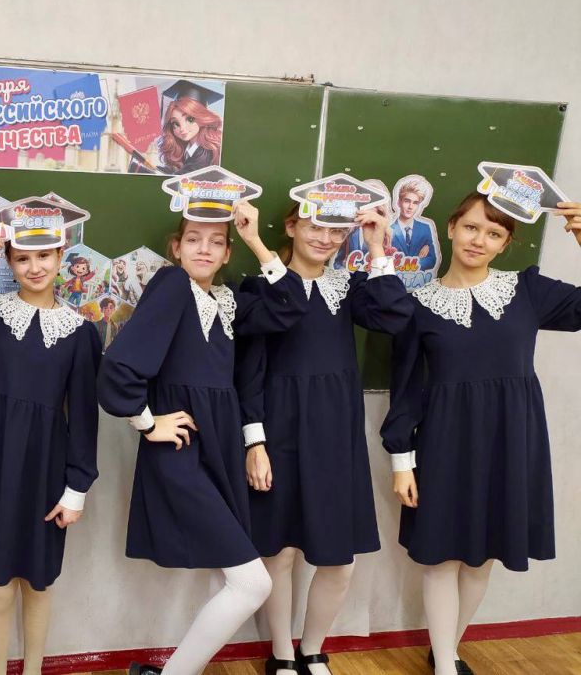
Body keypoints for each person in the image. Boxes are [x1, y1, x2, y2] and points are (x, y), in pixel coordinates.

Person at [97, 200, 307, 675]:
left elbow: (291, 305)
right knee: (252, 583)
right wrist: (148, 422)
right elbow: (118, 367)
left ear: (228, 252)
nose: (204, 249)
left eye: (216, 242)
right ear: (176, 247)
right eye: (193, 239)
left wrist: (255, 240)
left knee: (236, 577)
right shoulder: (172, 285)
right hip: (183, 450)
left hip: (220, 446)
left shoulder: (228, 300)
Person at [382, 192, 581, 675]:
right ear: (451, 228)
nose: (479, 240)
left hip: (510, 441)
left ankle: (447, 650)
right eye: (471, 227)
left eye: (494, 233)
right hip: (444, 443)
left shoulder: (527, 290)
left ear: (505, 244)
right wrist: (402, 462)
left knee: (482, 558)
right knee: (441, 558)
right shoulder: (416, 306)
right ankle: (445, 667)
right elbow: (404, 389)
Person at [241, 205, 411, 674]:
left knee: (340, 559)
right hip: (279, 431)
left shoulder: (349, 287)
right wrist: (254, 442)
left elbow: (395, 316)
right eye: (314, 225)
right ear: (291, 226)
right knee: (279, 552)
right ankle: (281, 654)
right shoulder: (258, 288)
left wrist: (376, 246)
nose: (325, 238)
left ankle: (312, 650)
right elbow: (249, 371)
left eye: (336, 230)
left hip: (336, 434)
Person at [0, 228, 101, 675]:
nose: (35, 267)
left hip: (44, 468)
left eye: (44, 256)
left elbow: (84, 416)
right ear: (9, 262)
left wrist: (77, 488)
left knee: (38, 583)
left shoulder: (80, 332)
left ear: (61, 256)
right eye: (23, 258)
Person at [390, 175, 438, 271]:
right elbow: (384, 260)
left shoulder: (425, 228)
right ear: (399, 202)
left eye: (415, 203)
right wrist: (416, 261)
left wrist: (401, 263)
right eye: (407, 201)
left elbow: (431, 260)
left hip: (419, 279)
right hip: (394, 279)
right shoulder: (389, 230)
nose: (410, 207)